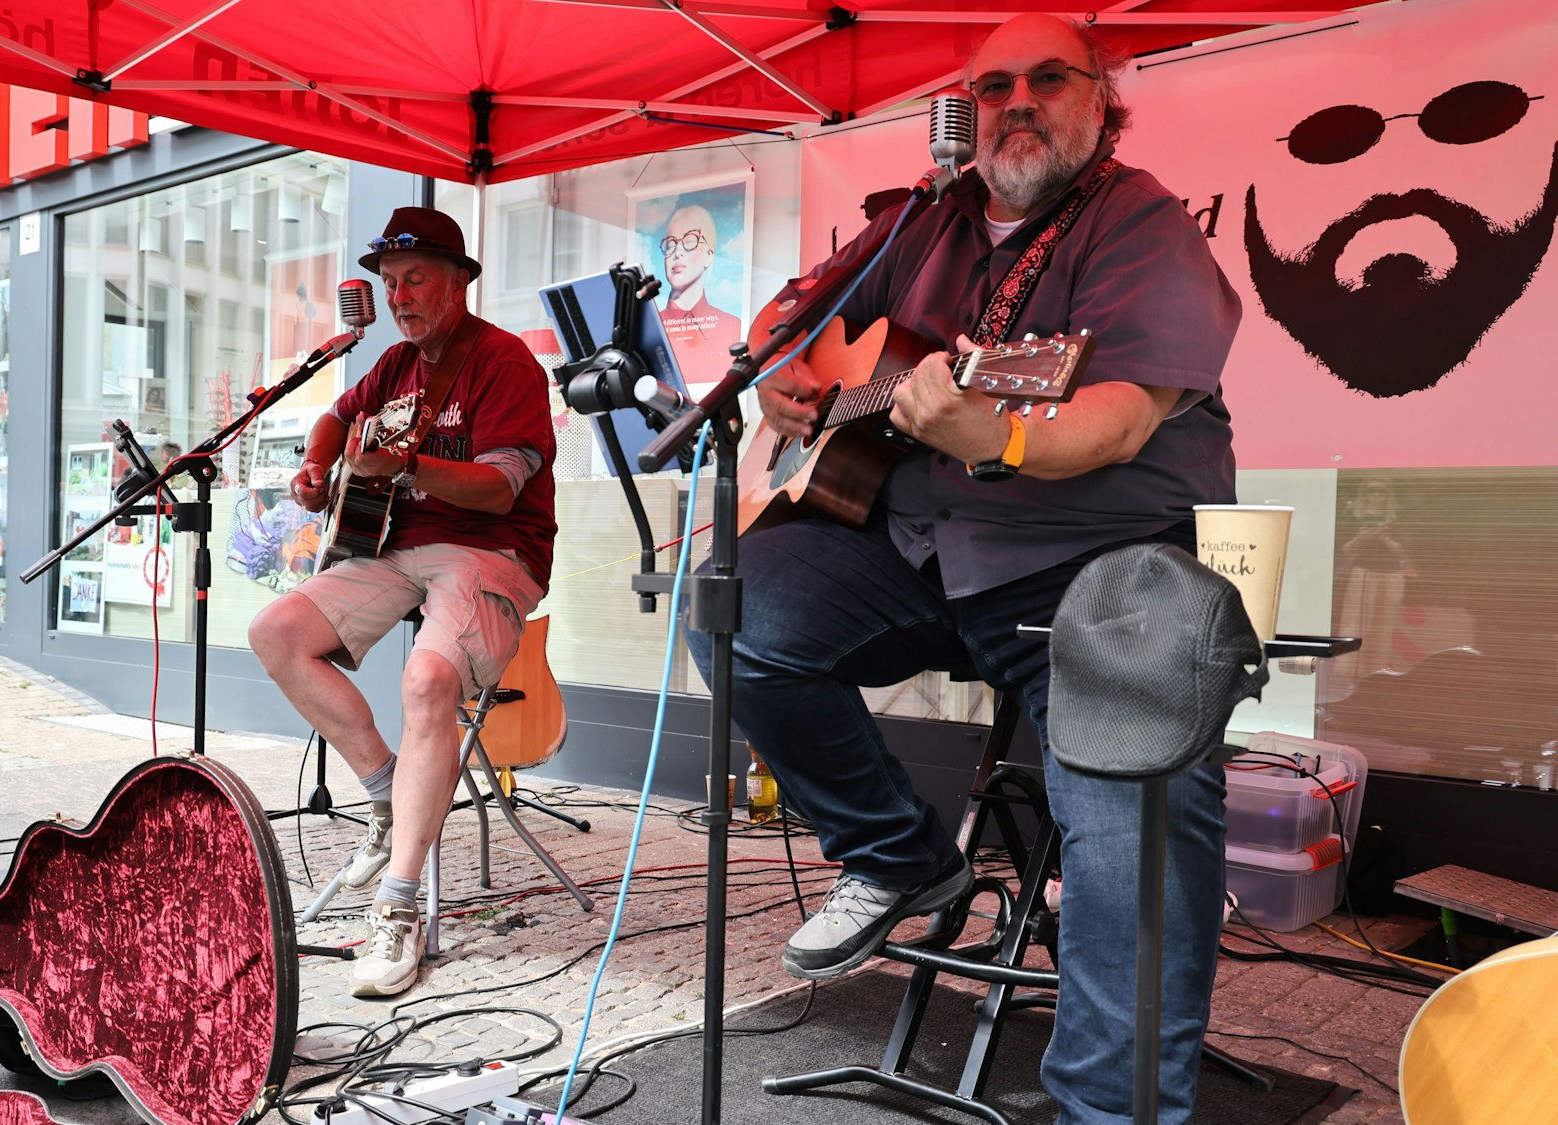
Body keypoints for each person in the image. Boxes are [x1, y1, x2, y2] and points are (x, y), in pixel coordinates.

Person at [693, 15, 1241, 1124]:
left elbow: (1116, 419)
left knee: (1132, 832)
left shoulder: (1142, 228)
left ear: (1102, 98)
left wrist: (995, 434)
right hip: (914, 549)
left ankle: (1111, 1110)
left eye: (1048, 77)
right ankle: (898, 855)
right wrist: (786, 384)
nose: (1016, 101)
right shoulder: (919, 225)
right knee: (734, 605)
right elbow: (795, 332)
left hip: (1098, 571)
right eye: (991, 86)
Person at [248, 207, 558, 999]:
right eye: (389, 283)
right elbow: (333, 416)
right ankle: (389, 795)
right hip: (396, 548)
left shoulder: (504, 361)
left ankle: (400, 903)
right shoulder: (392, 366)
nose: (399, 296)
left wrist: (408, 465)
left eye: (415, 278)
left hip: (493, 550)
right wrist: (318, 470)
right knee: (276, 630)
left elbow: (497, 488)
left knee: (426, 681)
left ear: (459, 280)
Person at [657, 202, 743, 390]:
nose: (677, 252)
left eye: (689, 242)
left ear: (709, 255)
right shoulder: (650, 330)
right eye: (671, 245)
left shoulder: (733, 327)